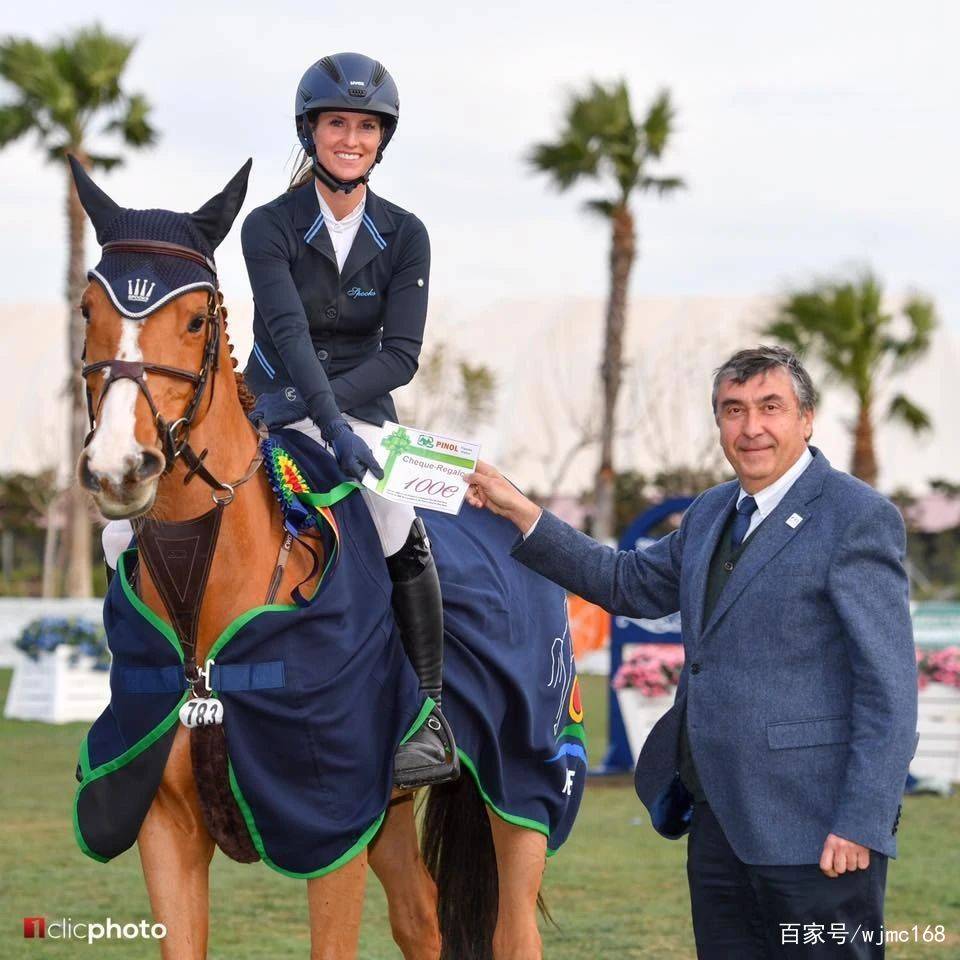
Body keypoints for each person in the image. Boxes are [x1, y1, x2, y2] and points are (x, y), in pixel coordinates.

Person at [466, 345, 918, 958]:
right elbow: (625, 582)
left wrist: (861, 821)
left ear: (806, 419)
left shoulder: (856, 517)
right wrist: (521, 513)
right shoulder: (710, 513)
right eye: (733, 410)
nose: (750, 427)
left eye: (769, 407)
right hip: (718, 823)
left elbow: (887, 688)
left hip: (817, 834)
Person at [240, 52, 457, 789]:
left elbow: (401, 356)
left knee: (398, 516)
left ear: (381, 139)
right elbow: (288, 334)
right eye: (338, 123)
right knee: (130, 526)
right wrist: (319, 422)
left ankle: (426, 715)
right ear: (311, 131)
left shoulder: (408, 233)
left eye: (366, 126)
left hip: (364, 413)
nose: (352, 138)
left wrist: (336, 419)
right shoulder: (267, 224)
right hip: (268, 411)